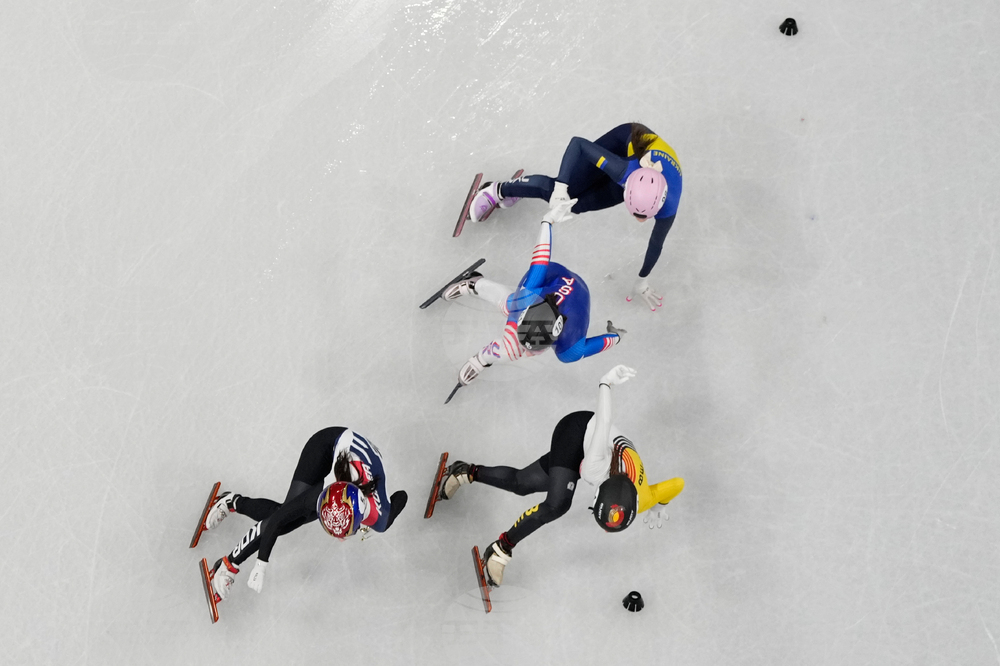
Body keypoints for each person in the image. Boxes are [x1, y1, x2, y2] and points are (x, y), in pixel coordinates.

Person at [435, 365, 684, 587]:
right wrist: (605, 381)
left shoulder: (644, 498)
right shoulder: (593, 468)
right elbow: (604, 420)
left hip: (593, 449)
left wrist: (659, 503)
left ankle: (464, 471)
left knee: (522, 483)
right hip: (578, 430)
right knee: (557, 505)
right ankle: (500, 550)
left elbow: (677, 484)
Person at [468, 122, 682, 312]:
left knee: (575, 205)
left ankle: (522, 189)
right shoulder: (623, 170)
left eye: (644, 216)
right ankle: (497, 190)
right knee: (561, 192)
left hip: (639, 171)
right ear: (627, 190)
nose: (639, 220)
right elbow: (578, 144)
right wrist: (561, 188)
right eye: (634, 211)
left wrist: (641, 280)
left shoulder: (669, 205)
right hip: (624, 141)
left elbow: (656, 244)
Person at [202, 427, 407, 602]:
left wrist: (385, 496)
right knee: (286, 517)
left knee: (290, 517)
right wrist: (256, 564)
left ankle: (232, 501)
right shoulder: (322, 492)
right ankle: (229, 513)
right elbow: (277, 520)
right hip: (327, 444)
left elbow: (402, 496)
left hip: (362, 464)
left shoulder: (379, 517)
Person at [443, 199, 624, 389]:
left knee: (510, 346)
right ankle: (474, 284)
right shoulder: (528, 297)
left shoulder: (569, 349)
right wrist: (547, 221)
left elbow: (602, 343)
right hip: (554, 276)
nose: (527, 352)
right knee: (510, 306)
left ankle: (483, 356)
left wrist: (616, 337)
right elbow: (541, 256)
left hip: (573, 291)